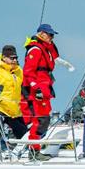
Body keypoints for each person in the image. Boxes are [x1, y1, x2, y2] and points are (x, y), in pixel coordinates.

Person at [20, 23, 60, 160]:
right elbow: (28, 71)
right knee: (40, 121)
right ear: (42, 34)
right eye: (50, 35)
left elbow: (54, 56)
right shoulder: (36, 50)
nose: (52, 38)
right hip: (38, 92)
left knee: (44, 120)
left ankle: (35, 149)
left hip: (44, 91)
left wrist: (49, 45)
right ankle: (33, 152)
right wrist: (36, 88)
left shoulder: (44, 48)